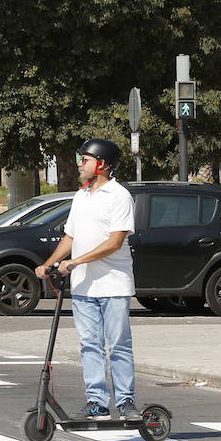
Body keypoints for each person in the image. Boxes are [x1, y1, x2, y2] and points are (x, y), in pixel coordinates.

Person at [35, 138, 136, 420]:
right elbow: (71, 237)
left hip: (114, 284)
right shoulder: (81, 196)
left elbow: (115, 242)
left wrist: (75, 262)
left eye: (86, 160)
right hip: (83, 287)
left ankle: (126, 402)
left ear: (102, 165)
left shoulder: (119, 196)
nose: (80, 165)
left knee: (118, 344)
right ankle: (97, 402)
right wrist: (49, 263)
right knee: (89, 344)